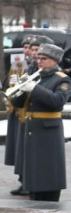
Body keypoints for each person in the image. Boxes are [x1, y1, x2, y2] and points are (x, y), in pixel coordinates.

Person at [11, 43, 71, 202]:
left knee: (48, 171)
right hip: (32, 130)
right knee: (34, 172)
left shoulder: (62, 79)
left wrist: (34, 89)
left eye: (44, 59)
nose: (39, 62)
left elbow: (57, 101)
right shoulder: (37, 77)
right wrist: (20, 90)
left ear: (54, 60)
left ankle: (48, 200)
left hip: (49, 131)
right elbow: (18, 104)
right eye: (39, 58)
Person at [6, 34, 34, 196]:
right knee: (17, 148)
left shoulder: (35, 65)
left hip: (27, 110)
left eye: (30, 48)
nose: (27, 51)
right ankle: (22, 180)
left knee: (24, 149)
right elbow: (10, 82)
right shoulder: (19, 62)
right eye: (25, 47)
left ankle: (27, 181)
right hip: (16, 109)